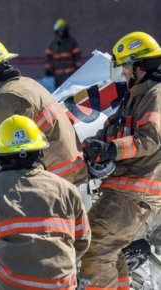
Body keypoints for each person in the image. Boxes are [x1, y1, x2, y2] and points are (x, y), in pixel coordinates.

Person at [0, 115, 91, 289]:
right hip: (61, 283)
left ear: (0, 155)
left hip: (11, 281)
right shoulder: (66, 189)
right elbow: (82, 241)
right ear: (40, 152)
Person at [80, 31, 161, 289]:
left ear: (141, 65)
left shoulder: (156, 95)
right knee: (106, 250)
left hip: (135, 192)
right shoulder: (136, 95)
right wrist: (93, 146)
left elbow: (150, 139)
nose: (124, 72)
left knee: (94, 251)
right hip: (122, 189)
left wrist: (112, 149)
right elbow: (114, 129)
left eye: (126, 65)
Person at [0, 37, 88, 186]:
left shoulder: (3, 100)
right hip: (75, 174)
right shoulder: (28, 84)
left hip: (51, 183)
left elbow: (2, 156)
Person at [44, 18, 82, 88]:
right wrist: (48, 68)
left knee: (70, 92)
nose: (61, 32)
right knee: (58, 93)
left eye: (63, 30)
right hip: (57, 74)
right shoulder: (52, 43)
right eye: (60, 31)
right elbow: (47, 57)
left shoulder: (72, 42)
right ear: (56, 31)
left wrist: (78, 68)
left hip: (70, 73)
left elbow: (77, 57)